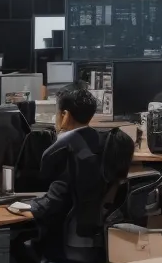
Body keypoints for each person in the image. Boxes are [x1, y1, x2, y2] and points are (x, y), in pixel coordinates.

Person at [29, 84, 121, 244]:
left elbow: (52, 203)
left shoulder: (61, 150)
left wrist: (21, 208)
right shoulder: (103, 141)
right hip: (93, 236)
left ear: (65, 115)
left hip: (64, 238)